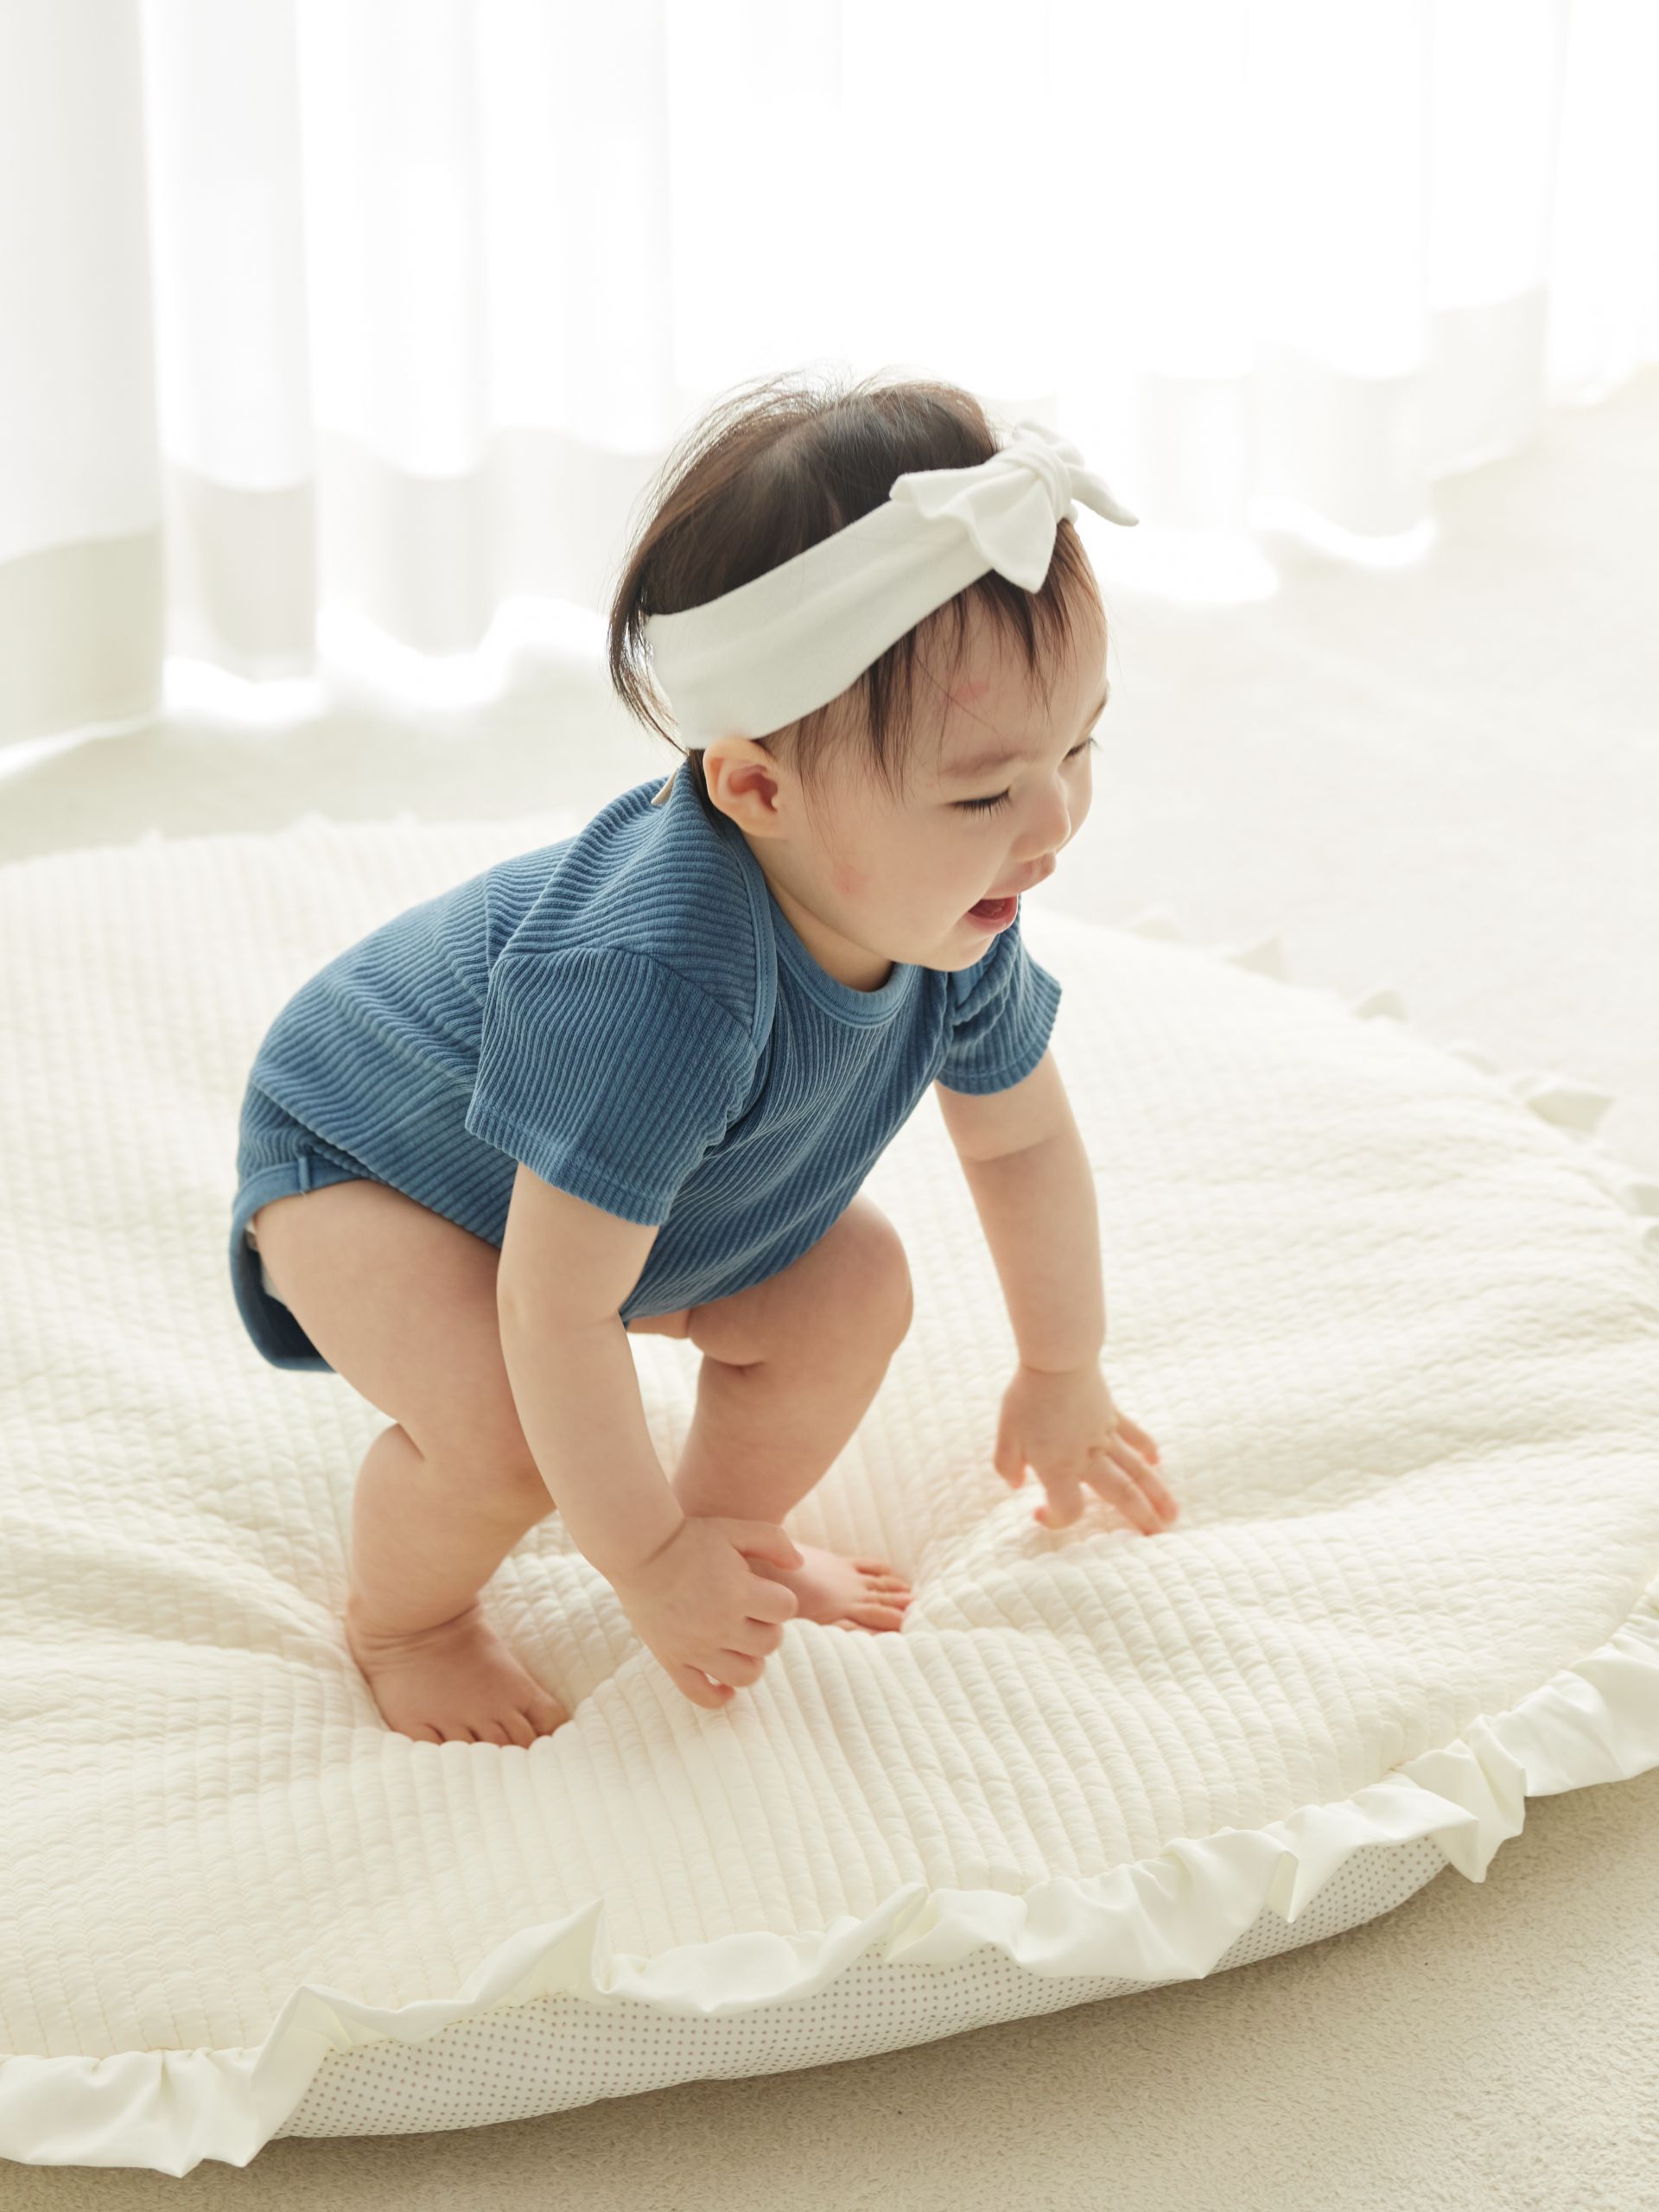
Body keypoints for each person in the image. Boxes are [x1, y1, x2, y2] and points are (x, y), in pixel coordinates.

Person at [226, 367, 1176, 1747]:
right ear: (756, 786)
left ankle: (734, 1535)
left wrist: (1061, 1367)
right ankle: (406, 1624)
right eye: (983, 792)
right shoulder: (657, 987)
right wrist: (641, 1561)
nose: (1053, 825)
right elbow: (554, 1311)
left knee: (853, 1286)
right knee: (505, 1440)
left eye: (1077, 747)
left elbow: (1021, 1139)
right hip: (378, 1155)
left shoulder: (948, 915)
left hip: (623, 1191)